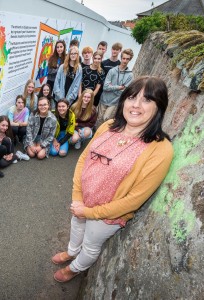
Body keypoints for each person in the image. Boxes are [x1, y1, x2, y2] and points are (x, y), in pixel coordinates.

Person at [51, 76, 174, 283]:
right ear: (123, 100)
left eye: (146, 100)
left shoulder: (160, 149)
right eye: (132, 97)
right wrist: (77, 196)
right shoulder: (108, 125)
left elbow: (134, 199)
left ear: (159, 107)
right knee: (77, 225)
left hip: (107, 215)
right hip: (82, 200)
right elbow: (84, 159)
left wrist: (90, 212)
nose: (136, 105)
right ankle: (72, 251)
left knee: (91, 244)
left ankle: (75, 268)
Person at [97, 48, 134, 128]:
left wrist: (112, 87)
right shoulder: (112, 71)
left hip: (114, 102)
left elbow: (125, 92)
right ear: (121, 58)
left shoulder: (130, 75)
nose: (125, 61)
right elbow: (106, 87)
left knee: (106, 119)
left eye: (127, 59)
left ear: (130, 60)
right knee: (98, 119)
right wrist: (119, 87)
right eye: (123, 58)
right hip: (104, 99)